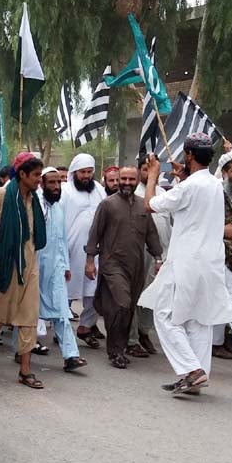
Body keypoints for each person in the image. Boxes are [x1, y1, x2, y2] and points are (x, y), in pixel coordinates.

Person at [138, 135, 232, 394]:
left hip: (187, 263)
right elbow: (193, 200)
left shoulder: (189, 187)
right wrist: (184, 178)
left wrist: (152, 176)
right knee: (199, 321)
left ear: (189, 155)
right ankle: (196, 378)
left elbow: (149, 204)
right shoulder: (215, 184)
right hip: (211, 263)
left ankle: (191, 370)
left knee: (164, 315)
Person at [85, 166, 162, 369]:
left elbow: (151, 234)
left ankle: (122, 346)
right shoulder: (107, 205)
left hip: (136, 267)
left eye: (131, 179)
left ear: (137, 180)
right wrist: (90, 260)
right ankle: (115, 351)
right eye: (123, 178)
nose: (127, 182)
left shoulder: (143, 206)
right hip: (112, 264)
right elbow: (95, 234)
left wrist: (158, 258)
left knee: (127, 308)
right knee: (122, 304)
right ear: (117, 180)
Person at [0, 152, 46, 388]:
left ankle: (25, 370)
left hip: (30, 266)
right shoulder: (1, 195)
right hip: (6, 264)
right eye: (36, 175)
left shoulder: (34, 199)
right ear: (22, 174)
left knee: (29, 317)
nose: (39, 180)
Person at [36, 167, 87, 372]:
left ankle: (71, 356)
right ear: (42, 184)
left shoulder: (58, 207)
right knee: (28, 312)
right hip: (36, 267)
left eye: (58, 183)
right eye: (52, 183)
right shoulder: (36, 204)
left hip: (55, 268)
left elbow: (62, 238)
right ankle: (21, 349)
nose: (56, 187)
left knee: (61, 311)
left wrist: (65, 264)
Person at [62, 153, 107, 348]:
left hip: (95, 250)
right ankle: (61, 328)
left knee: (95, 292)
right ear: (74, 172)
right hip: (71, 250)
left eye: (89, 172)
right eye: (83, 172)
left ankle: (85, 327)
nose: (87, 176)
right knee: (65, 292)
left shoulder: (99, 189)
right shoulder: (65, 191)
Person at [127, 154, 170, 356]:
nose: (149, 172)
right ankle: (132, 338)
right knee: (136, 294)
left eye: (153, 168)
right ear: (139, 171)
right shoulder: (133, 194)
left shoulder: (164, 193)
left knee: (154, 295)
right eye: (145, 169)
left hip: (161, 253)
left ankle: (145, 332)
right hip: (138, 252)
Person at [211, 148, 232, 359]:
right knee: (214, 305)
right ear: (225, 172)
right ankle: (214, 344)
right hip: (216, 259)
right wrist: (221, 230)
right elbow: (196, 222)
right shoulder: (213, 193)